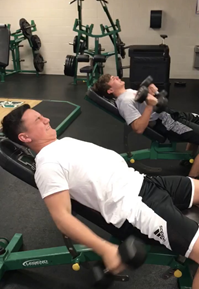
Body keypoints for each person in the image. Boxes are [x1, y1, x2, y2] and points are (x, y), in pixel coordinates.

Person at [2, 104, 199, 289]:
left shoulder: (64, 143)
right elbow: (62, 218)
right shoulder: (47, 167)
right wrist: (106, 249)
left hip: (145, 182)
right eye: (38, 120)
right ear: (25, 137)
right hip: (137, 206)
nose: (46, 119)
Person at [92, 74, 199, 178]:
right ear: (110, 90)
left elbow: (154, 103)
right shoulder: (125, 102)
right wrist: (149, 105)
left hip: (170, 114)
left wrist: (153, 93)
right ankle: (192, 180)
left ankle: (188, 161)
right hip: (168, 124)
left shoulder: (128, 92)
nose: (116, 77)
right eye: (112, 79)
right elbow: (138, 128)